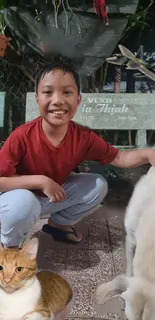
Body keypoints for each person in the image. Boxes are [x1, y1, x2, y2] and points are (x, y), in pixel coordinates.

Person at [0, 60, 154, 248]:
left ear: (78, 100)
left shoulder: (82, 137)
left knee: (97, 185)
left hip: (51, 197)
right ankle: (9, 246)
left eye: (67, 92)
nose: (58, 100)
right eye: (48, 92)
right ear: (37, 99)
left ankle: (58, 225)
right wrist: (41, 181)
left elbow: (120, 158)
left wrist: (148, 154)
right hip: (16, 198)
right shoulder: (22, 136)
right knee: (23, 204)